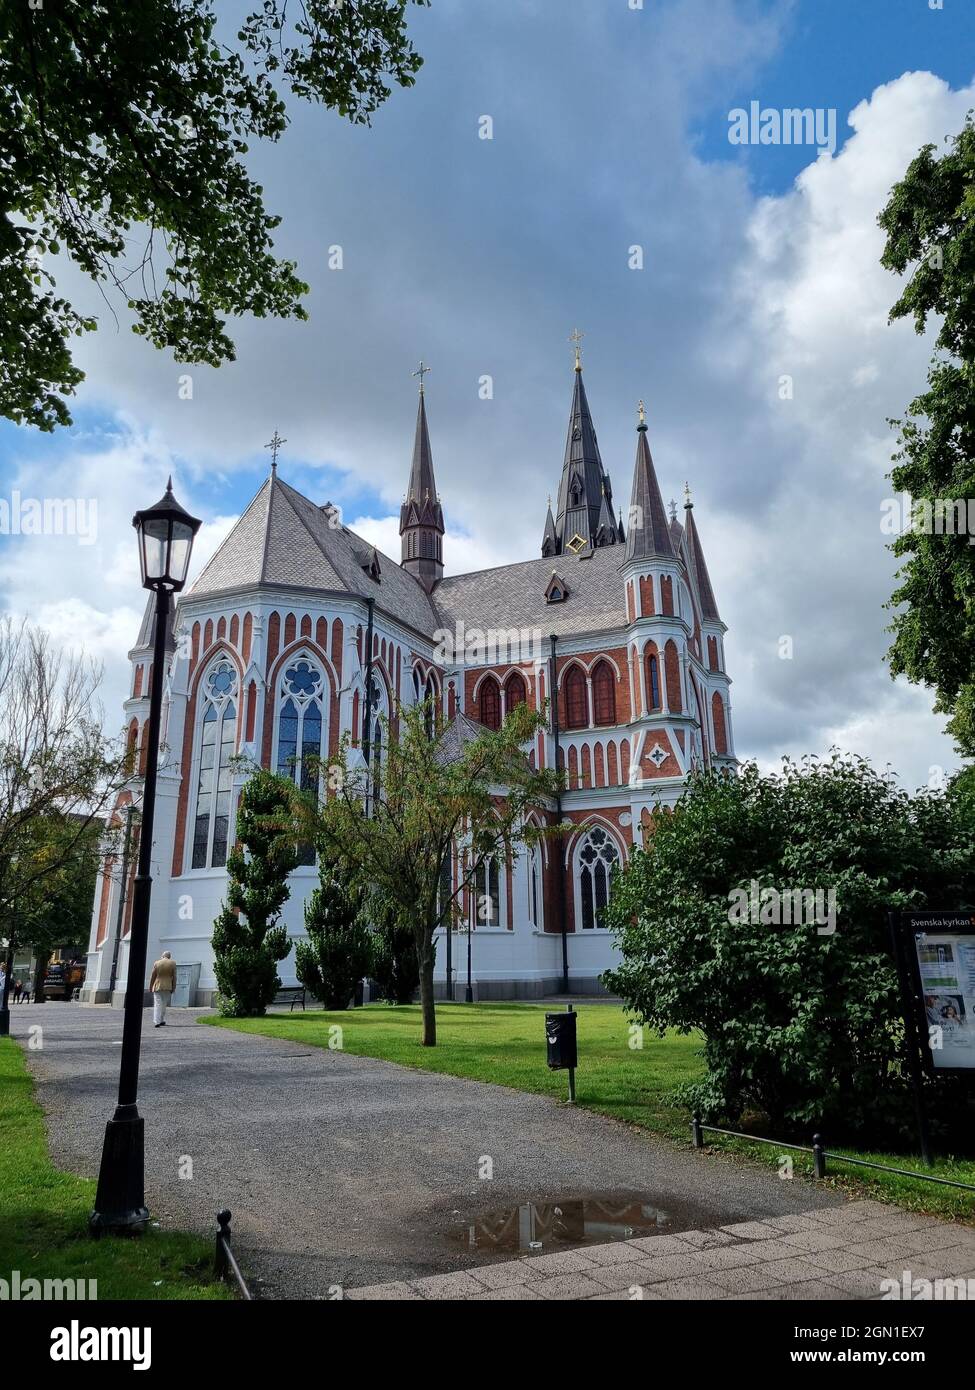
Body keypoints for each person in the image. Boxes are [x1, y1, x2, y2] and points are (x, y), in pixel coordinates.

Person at [149, 950, 176, 1027]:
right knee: (164, 1004)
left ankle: (156, 1021)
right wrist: (173, 987)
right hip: (168, 986)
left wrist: (151, 986)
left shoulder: (157, 963)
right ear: (169, 956)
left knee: (157, 1004)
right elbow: (174, 977)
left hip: (158, 985)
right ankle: (161, 1019)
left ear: (162, 956)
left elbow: (153, 976)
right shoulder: (173, 963)